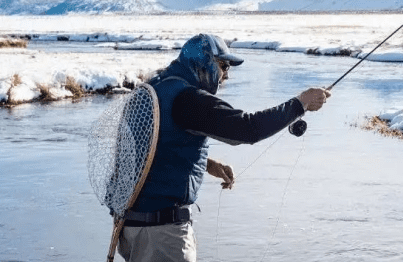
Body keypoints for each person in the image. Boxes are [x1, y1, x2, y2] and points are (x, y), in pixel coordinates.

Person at [117, 33, 331, 262]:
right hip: (161, 234)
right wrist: (300, 103)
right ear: (203, 64)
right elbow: (247, 128)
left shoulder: (154, 88)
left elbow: (148, 145)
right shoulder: (188, 99)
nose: (226, 76)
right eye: (224, 66)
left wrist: (206, 163)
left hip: (130, 227)